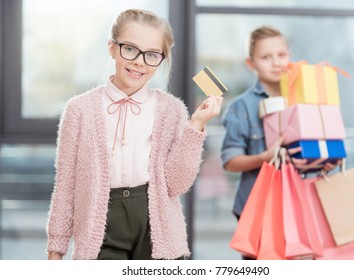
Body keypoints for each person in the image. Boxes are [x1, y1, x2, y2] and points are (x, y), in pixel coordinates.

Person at [46, 9, 223, 260]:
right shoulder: (79, 110)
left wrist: (195, 126)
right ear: (112, 48)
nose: (139, 61)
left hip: (157, 229)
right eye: (130, 49)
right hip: (101, 231)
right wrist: (56, 249)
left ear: (161, 59)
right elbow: (65, 186)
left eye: (151, 55)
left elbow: (176, 184)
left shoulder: (172, 110)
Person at [220, 26, 336, 259]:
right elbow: (230, 161)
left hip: (303, 205)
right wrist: (263, 157)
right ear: (250, 63)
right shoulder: (241, 107)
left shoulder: (307, 96)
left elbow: (321, 143)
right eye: (266, 57)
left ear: (289, 56)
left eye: (281, 55)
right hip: (259, 207)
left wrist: (325, 160)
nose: (276, 63)